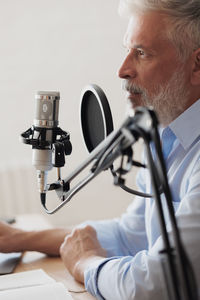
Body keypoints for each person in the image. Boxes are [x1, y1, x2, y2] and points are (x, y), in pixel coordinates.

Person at [1, 0, 200, 299]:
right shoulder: (164, 135)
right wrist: (20, 239)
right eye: (127, 50)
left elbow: (157, 285)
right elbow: (129, 235)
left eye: (142, 53)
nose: (122, 70)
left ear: (197, 65)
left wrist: (86, 264)